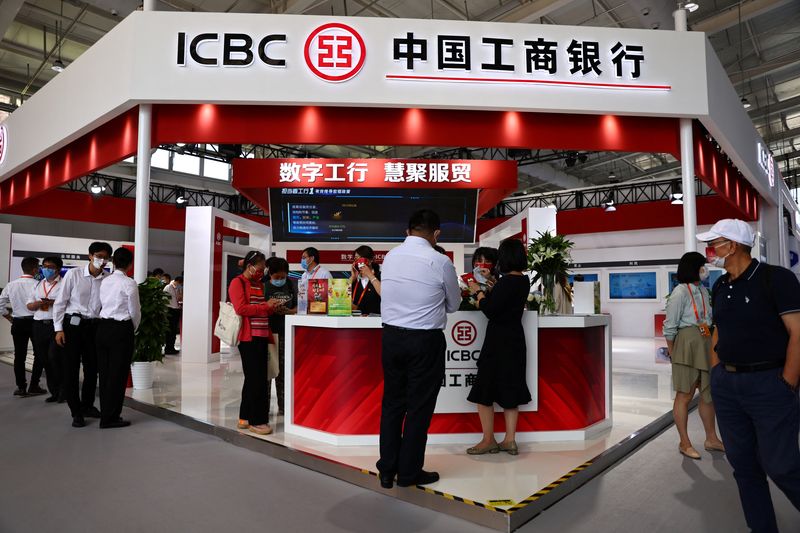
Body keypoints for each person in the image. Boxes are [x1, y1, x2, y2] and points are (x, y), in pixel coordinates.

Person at [697, 219, 800, 532]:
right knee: (743, 466)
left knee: (781, 466)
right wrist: (716, 372)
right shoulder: (720, 285)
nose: (711, 250)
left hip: (769, 384)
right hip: (728, 387)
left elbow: (797, 333)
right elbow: (718, 332)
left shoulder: (776, 279)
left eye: (716, 243)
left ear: (735, 245)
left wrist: (787, 383)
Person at [377, 209, 461, 489]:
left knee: (392, 406)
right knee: (418, 409)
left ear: (408, 230)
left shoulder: (390, 256)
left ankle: (387, 470)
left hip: (391, 338)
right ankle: (409, 473)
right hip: (425, 341)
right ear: (436, 234)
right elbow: (454, 305)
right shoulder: (440, 261)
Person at [465, 238, 532, 456]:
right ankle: (510, 440)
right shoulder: (523, 281)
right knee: (511, 388)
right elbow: (506, 303)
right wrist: (493, 285)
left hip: (497, 342)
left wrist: (478, 291)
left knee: (485, 390)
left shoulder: (506, 282)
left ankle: (488, 440)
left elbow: (491, 310)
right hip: (515, 339)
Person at [663, 251, 724, 460]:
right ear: (693, 268)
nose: (705, 270)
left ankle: (711, 438)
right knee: (685, 394)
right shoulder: (679, 293)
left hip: (705, 341)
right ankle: (684, 442)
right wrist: (673, 354)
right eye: (701, 266)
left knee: (707, 393)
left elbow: (707, 319)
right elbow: (669, 327)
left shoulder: (703, 291)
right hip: (686, 345)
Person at [53, 241, 112, 428]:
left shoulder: (107, 279)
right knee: (70, 369)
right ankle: (75, 411)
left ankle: (87, 405)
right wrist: (58, 329)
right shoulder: (74, 274)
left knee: (92, 369)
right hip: (73, 326)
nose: (102, 261)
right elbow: (60, 302)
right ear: (90, 256)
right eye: (99, 256)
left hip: (95, 327)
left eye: (105, 257)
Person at [229, 251, 282, 435]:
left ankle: (244, 418)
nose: (261, 272)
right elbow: (241, 308)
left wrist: (270, 307)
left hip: (261, 336)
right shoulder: (237, 283)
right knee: (257, 380)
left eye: (263, 269)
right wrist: (265, 306)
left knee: (253, 378)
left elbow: (259, 309)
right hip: (248, 338)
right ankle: (257, 420)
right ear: (249, 266)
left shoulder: (258, 284)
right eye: (259, 269)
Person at [93, 248, 140, 429]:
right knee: (118, 374)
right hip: (121, 329)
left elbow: (99, 304)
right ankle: (111, 417)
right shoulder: (129, 283)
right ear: (130, 264)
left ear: (113, 262)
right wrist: (132, 328)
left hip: (103, 327)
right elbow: (135, 311)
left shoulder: (105, 281)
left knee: (104, 374)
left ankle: (106, 413)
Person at [0, 257, 42, 397]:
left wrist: (9, 317)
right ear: (35, 269)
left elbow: (0, 305)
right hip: (36, 322)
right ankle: (34, 385)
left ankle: (21, 387)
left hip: (18, 322)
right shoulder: (38, 284)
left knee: (19, 356)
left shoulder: (11, 285)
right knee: (39, 354)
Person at [27, 257, 66, 403]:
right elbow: (29, 305)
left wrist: (53, 302)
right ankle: (54, 391)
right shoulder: (38, 285)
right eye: (45, 266)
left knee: (55, 357)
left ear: (58, 269)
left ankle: (63, 390)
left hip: (56, 325)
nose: (47, 269)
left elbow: (68, 304)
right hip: (38, 325)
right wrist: (37, 303)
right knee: (44, 359)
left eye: (51, 267)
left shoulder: (63, 284)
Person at [264, 257, 297, 416]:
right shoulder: (263, 286)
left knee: (284, 371)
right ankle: (264, 406)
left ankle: (284, 406)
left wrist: (289, 311)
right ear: (270, 273)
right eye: (277, 277)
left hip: (286, 332)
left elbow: (299, 306)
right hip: (268, 333)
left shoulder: (291, 285)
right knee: (268, 371)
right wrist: (270, 308)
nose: (280, 280)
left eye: (283, 277)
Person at [349, 245, 381, 315]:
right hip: (355, 322)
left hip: (376, 322)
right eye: (356, 259)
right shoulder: (354, 280)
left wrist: (369, 275)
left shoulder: (380, 276)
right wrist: (352, 277)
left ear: (371, 260)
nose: (358, 262)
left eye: (361, 258)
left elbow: (384, 294)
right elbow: (339, 295)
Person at [298, 247, 331, 313]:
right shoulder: (304, 275)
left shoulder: (324, 273)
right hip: (306, 310)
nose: (302, 260)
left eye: (304, 258)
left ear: (312, 258)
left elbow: (331, 295)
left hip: (320, 310)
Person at [163, 275, 182, 355]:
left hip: (176, 310)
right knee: (170, 331)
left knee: (174, 331)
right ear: (178, 281)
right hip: (170, 310)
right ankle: (168, 348)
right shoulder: (168, 287)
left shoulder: (176, 288)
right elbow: (164, 299)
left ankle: (171, 347)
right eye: (180, 283)